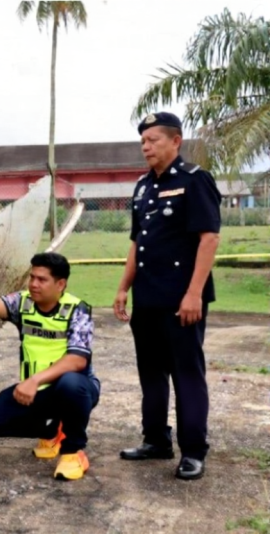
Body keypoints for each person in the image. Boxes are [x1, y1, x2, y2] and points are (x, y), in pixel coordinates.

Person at [113, 111, 221, 481]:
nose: (146, 147)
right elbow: (137, 242)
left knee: (186, 374)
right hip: (147, 297)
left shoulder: (194, 180)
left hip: (181, 299)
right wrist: (123, 287)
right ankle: (156, 440)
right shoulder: (143, 186)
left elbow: (209, 238)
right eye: (142, 141)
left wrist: (194, 294)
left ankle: (193, 451)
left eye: (153, 140)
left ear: (175, 141)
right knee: (151, 371)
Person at [0, 252, 100, 481]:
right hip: (37, 391)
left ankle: (73, 452)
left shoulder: (78, 310)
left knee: (70, 384)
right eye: (32, 277)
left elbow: (77, 360)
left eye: (42, 279)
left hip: (76, 389)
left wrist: (34, 380)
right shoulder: (23, 302)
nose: (33, 284)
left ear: (60, 284)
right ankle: (51, 430)